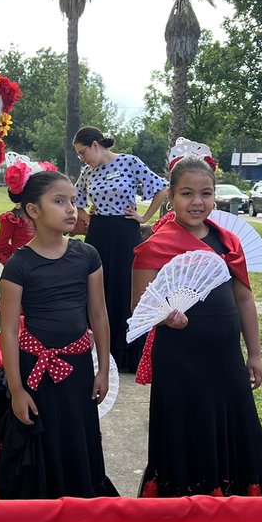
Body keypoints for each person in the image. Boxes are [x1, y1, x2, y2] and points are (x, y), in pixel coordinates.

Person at [132, 147, 262, 497]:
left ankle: (236, 499)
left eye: (206, 193)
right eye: (187, 193)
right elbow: (139, 303)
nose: (197, 202)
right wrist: (165, 317)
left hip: (226, 356)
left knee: (237, 423)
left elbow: (244, 297)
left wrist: (255, 354)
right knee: (187, 426)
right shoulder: (155, 245)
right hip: (179, 359)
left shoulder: (227, 241)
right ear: (170, 196)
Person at [0, 168, 117, 498]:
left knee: (78, 432)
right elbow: (8, 331)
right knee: (40, 434)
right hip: (34, 371)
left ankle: (81, 498)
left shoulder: (87, 256)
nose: (71, 210)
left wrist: (102, 370)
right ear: (33, 210)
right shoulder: (18, 265)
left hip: (77, 368)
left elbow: (99, 315)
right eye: (59, 201)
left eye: (74, 201)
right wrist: (16, 388)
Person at [74, 126, 168, 372]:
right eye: (79, 155)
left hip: (125, 232)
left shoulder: (129, 162)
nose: (82, 158)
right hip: (98, 233)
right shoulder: (86, 171)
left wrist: (144, 216)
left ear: (96, 145)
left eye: (83, 152)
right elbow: (77, 199)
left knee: (125, 287)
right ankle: (97, 351)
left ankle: (126, 353)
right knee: (97, 287)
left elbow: (162, 188)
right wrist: (86, 217)